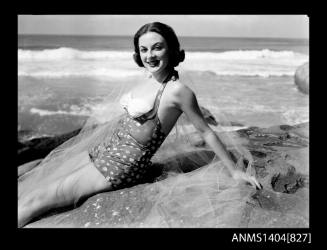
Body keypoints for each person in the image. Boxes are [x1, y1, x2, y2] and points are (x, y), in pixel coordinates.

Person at [18, 22, 262, 228]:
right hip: (102, 152)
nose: (150, 56)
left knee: (35, 200)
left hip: (118, 168)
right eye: (144, 49)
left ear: (172, 50)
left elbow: (206, 132)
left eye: (158, 48)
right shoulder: (148, 78)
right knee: (31, 185)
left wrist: (233, 170)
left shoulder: (178, 91)